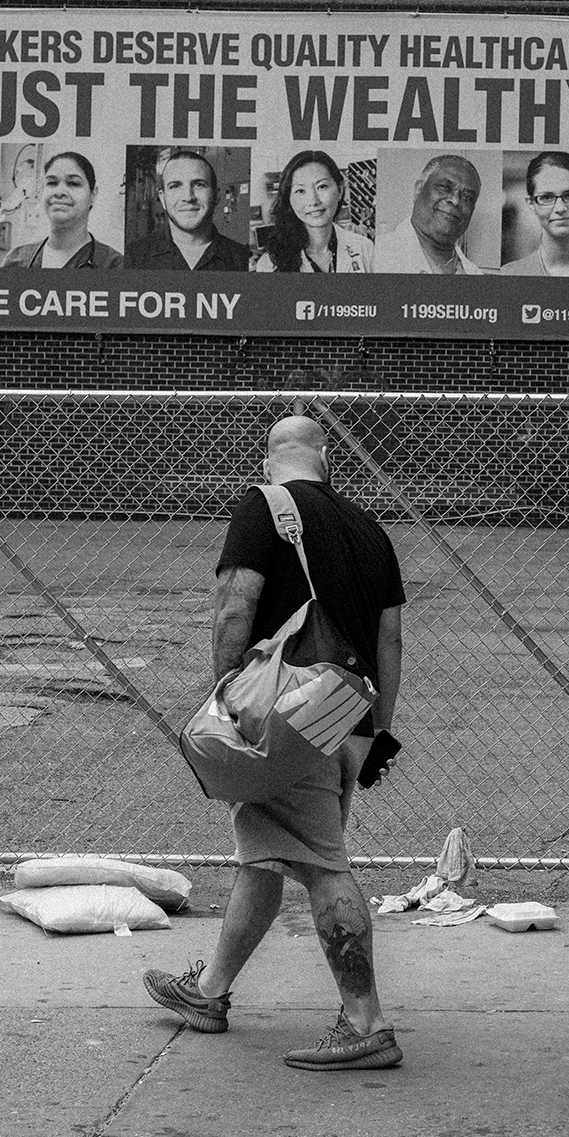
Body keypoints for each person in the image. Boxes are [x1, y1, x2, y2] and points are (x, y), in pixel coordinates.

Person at [143, 416, 406, 1072]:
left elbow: (235, 608)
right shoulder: (371, 532)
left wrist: (228, 702)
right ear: (327, 458)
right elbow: (390, 641)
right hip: (343, 710)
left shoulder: (266, 507)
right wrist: (375, 737)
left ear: (269, 460)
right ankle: (209, 993)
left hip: (287, 711)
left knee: (319, 861)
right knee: (265, 849)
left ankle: (366, 1022)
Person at [126, 149, 250, 271]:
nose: (188, 197)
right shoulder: (132, 259)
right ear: (162, 199)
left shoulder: (243, 260)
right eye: (175, 186)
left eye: (199, 184)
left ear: (216, 196)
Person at [251, 150, 370, 273]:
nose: (313, 201)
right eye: (301, 191)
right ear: (289, 198)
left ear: (339, 190)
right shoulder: (269, 264)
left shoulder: (365, 249)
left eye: (322, 186)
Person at [372, 154, 490, 274]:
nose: (455, 200)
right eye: (445, 187)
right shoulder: (376, 256)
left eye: (467, 197)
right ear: (418, 189)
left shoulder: (474, 273)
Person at [2, 152, 122, 269]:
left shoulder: (114, 265)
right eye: (52, 183)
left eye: (73, 183)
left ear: (93, 194)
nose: (59, 192)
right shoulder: (16, 259)